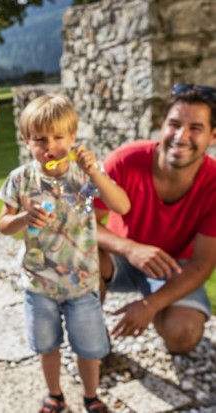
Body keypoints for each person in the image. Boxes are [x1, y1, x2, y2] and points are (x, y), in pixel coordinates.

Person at [0, 94, 130, 413]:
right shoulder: (21, 178)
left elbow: (122, 206)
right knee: (47, 345)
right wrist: (23, 218)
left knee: (88, 349)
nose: (49, 146)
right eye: (40, 139)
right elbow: (3, 224)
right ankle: (54, 394)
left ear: (73, 137)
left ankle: (91, 396)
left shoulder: (84, 175)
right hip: (39, 284)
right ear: (26, 140)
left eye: (58, 137)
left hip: (82, 283)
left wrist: (96, 172)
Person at [95, 84, 216, 354]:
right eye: (174, 124)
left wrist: (150, 306)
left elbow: (203, 262)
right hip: (119, 257)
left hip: (174, 266)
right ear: (162, 126)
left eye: (195, 128)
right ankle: (93, 345)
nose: (181, 136)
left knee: (183, 335)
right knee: (79, 257)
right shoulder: (124, 160)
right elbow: (80, 224)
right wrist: (130, 248)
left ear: (213, 137)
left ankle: (160, 307)